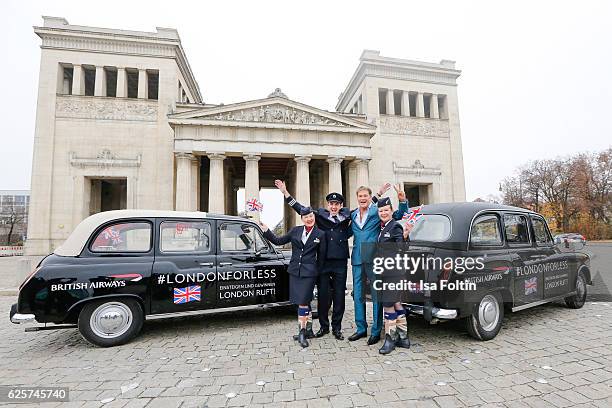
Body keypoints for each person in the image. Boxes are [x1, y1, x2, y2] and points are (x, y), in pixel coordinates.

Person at [275, 179, 351, 340]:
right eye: (331, 203)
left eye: (337, 204)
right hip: (323, 263)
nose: (334, 206)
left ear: (341, 205)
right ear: (328, 205)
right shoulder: (320, 215)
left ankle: (336, 328)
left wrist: (377, 195)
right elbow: (300, 209)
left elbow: (364, 211)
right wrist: (285, 193)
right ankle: (324, 327)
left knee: (339, 296)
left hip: (340, 262)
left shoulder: (347, 216)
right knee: (323, 296)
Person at [349, 183, 409, 346]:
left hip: (374, 259)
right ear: (357, 198)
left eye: (365, 196)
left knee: (377, 295)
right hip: (356, 259)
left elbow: (398, 214)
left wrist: (402, 201)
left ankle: (376, 331)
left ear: (370, 198)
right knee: (358, 295)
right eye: (360, 196)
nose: (362, 198)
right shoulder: (353, 214)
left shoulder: (377, 211)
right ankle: (361, 328)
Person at [259, 207, 327, 348]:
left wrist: (316, 273)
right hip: (295, 271)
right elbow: (278, 241)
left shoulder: (320, 234)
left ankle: (301, 332)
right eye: (306, 217)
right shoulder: (295, 230)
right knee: (303, 302)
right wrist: (266, 230)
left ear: (314, 217)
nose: (309, 219)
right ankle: (309, 330)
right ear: (302, 219)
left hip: (309, 274)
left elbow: (322, 258)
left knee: (302, 302)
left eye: (311, 216)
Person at [374, 197, 412, 354]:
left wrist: (405, 236)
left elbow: (400, 249)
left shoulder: (394, 226)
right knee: (396, 303)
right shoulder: (384, 228)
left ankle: (390, 340)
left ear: (391, 211)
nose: (383, 213)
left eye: (386, 210)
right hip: (390, 272)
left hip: (392, 272)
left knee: (388, 304)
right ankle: (403, 338)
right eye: (381, 211)